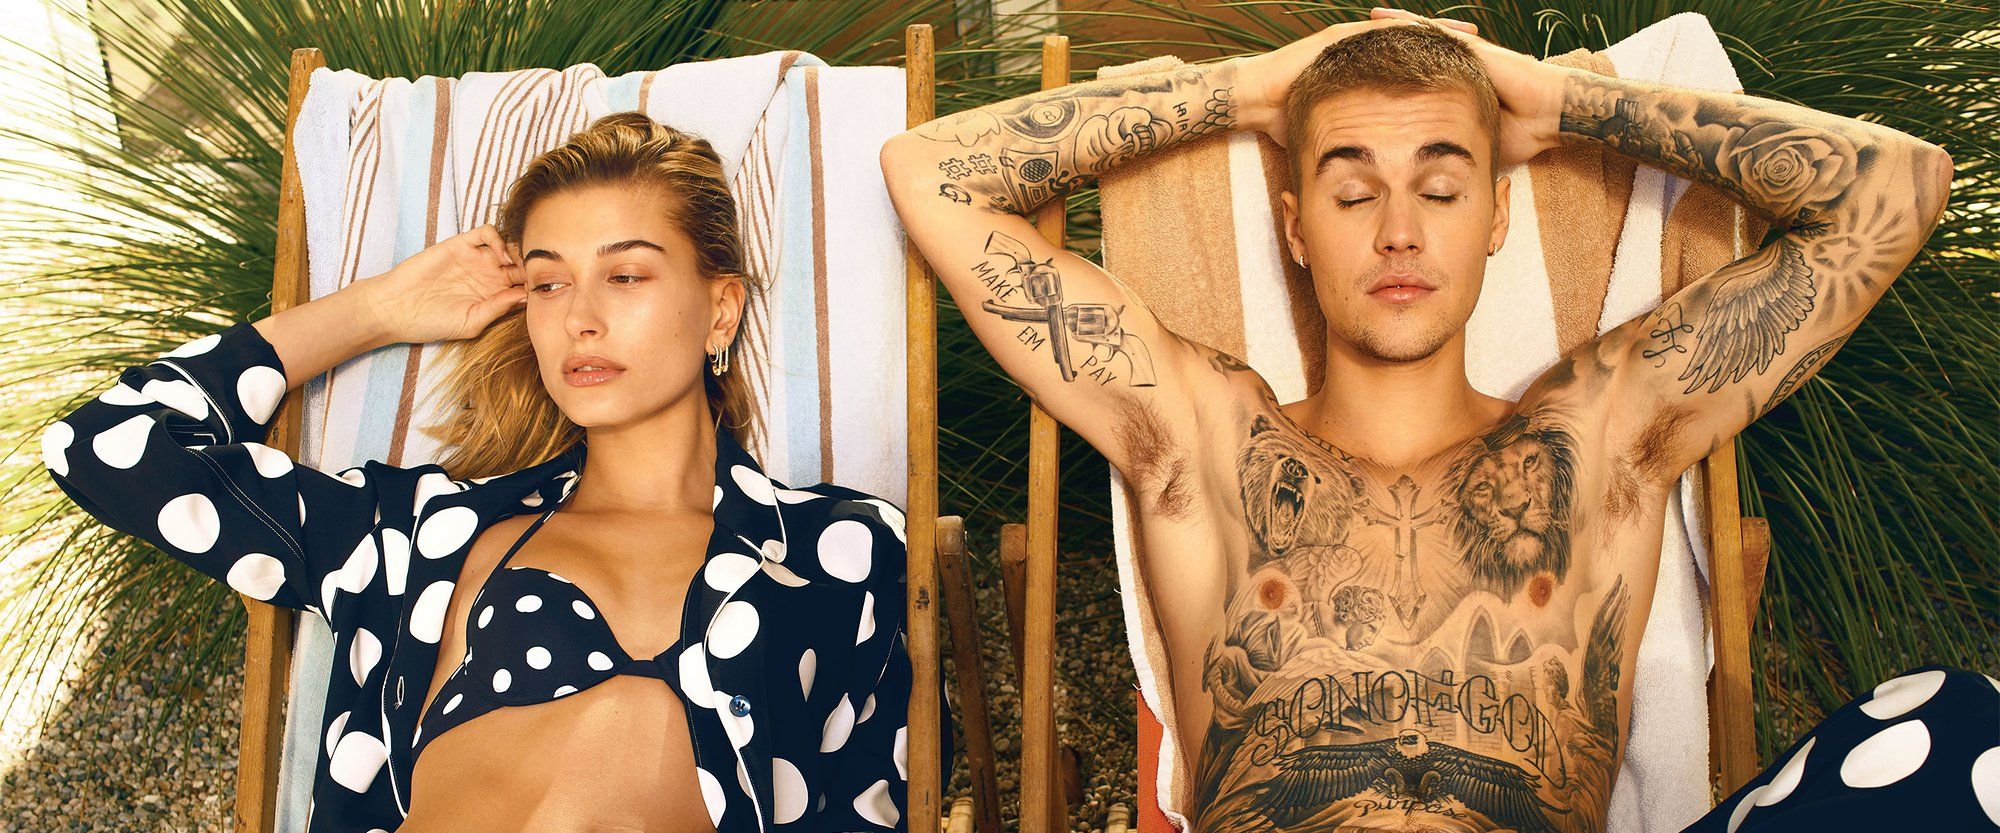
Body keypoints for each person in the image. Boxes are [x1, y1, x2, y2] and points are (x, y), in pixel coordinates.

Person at [881, 8, 1994, 833]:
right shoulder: (1207, 439)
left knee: (1957, 721)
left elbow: (1893, 188)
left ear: (1498, 212)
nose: (1399, 231)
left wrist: (1560, 105)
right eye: (1352, 190)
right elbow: (928, 173)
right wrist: (1256, 93)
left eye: (1443, 187)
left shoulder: (1598, 437)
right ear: (1296, 226)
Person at [44, 112, 924, 833]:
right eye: (547, 284)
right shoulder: (421, 535)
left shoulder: (841, 549)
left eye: (625, 275)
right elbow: (107, 444)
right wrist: (380, 308)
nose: (580, 317)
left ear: (720, 309)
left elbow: (870, 805)